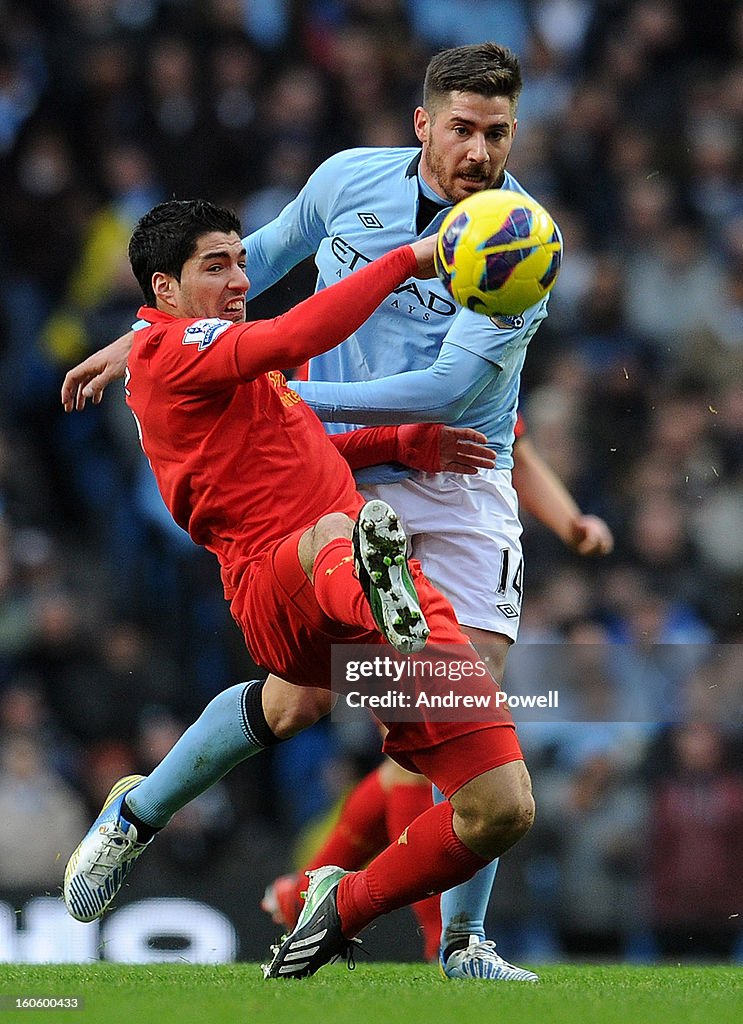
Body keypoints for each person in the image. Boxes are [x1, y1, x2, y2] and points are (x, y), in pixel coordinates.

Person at [60, 42, 611, 981]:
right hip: (332, 479)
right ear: (422, 123)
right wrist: (144, 341)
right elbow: (251, 269)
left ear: (515, 134)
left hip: (454, 467)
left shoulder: (524, 240)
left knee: (468, 698)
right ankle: (145, 815)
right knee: (305, 699)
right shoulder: (347, 180)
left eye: (498, 133)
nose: (478, 152)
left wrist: (276, 396)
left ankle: (462, 942)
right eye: (462, 129)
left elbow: (441, 389)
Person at [262, 415, 614, 963]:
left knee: (431, 748)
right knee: (420, 745)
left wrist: (570, 522)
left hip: (458, 529)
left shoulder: (459, 342)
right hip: (359, 525)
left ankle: (308, 896)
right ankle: (435, 939)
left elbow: (510, 444)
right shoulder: (338, 346)